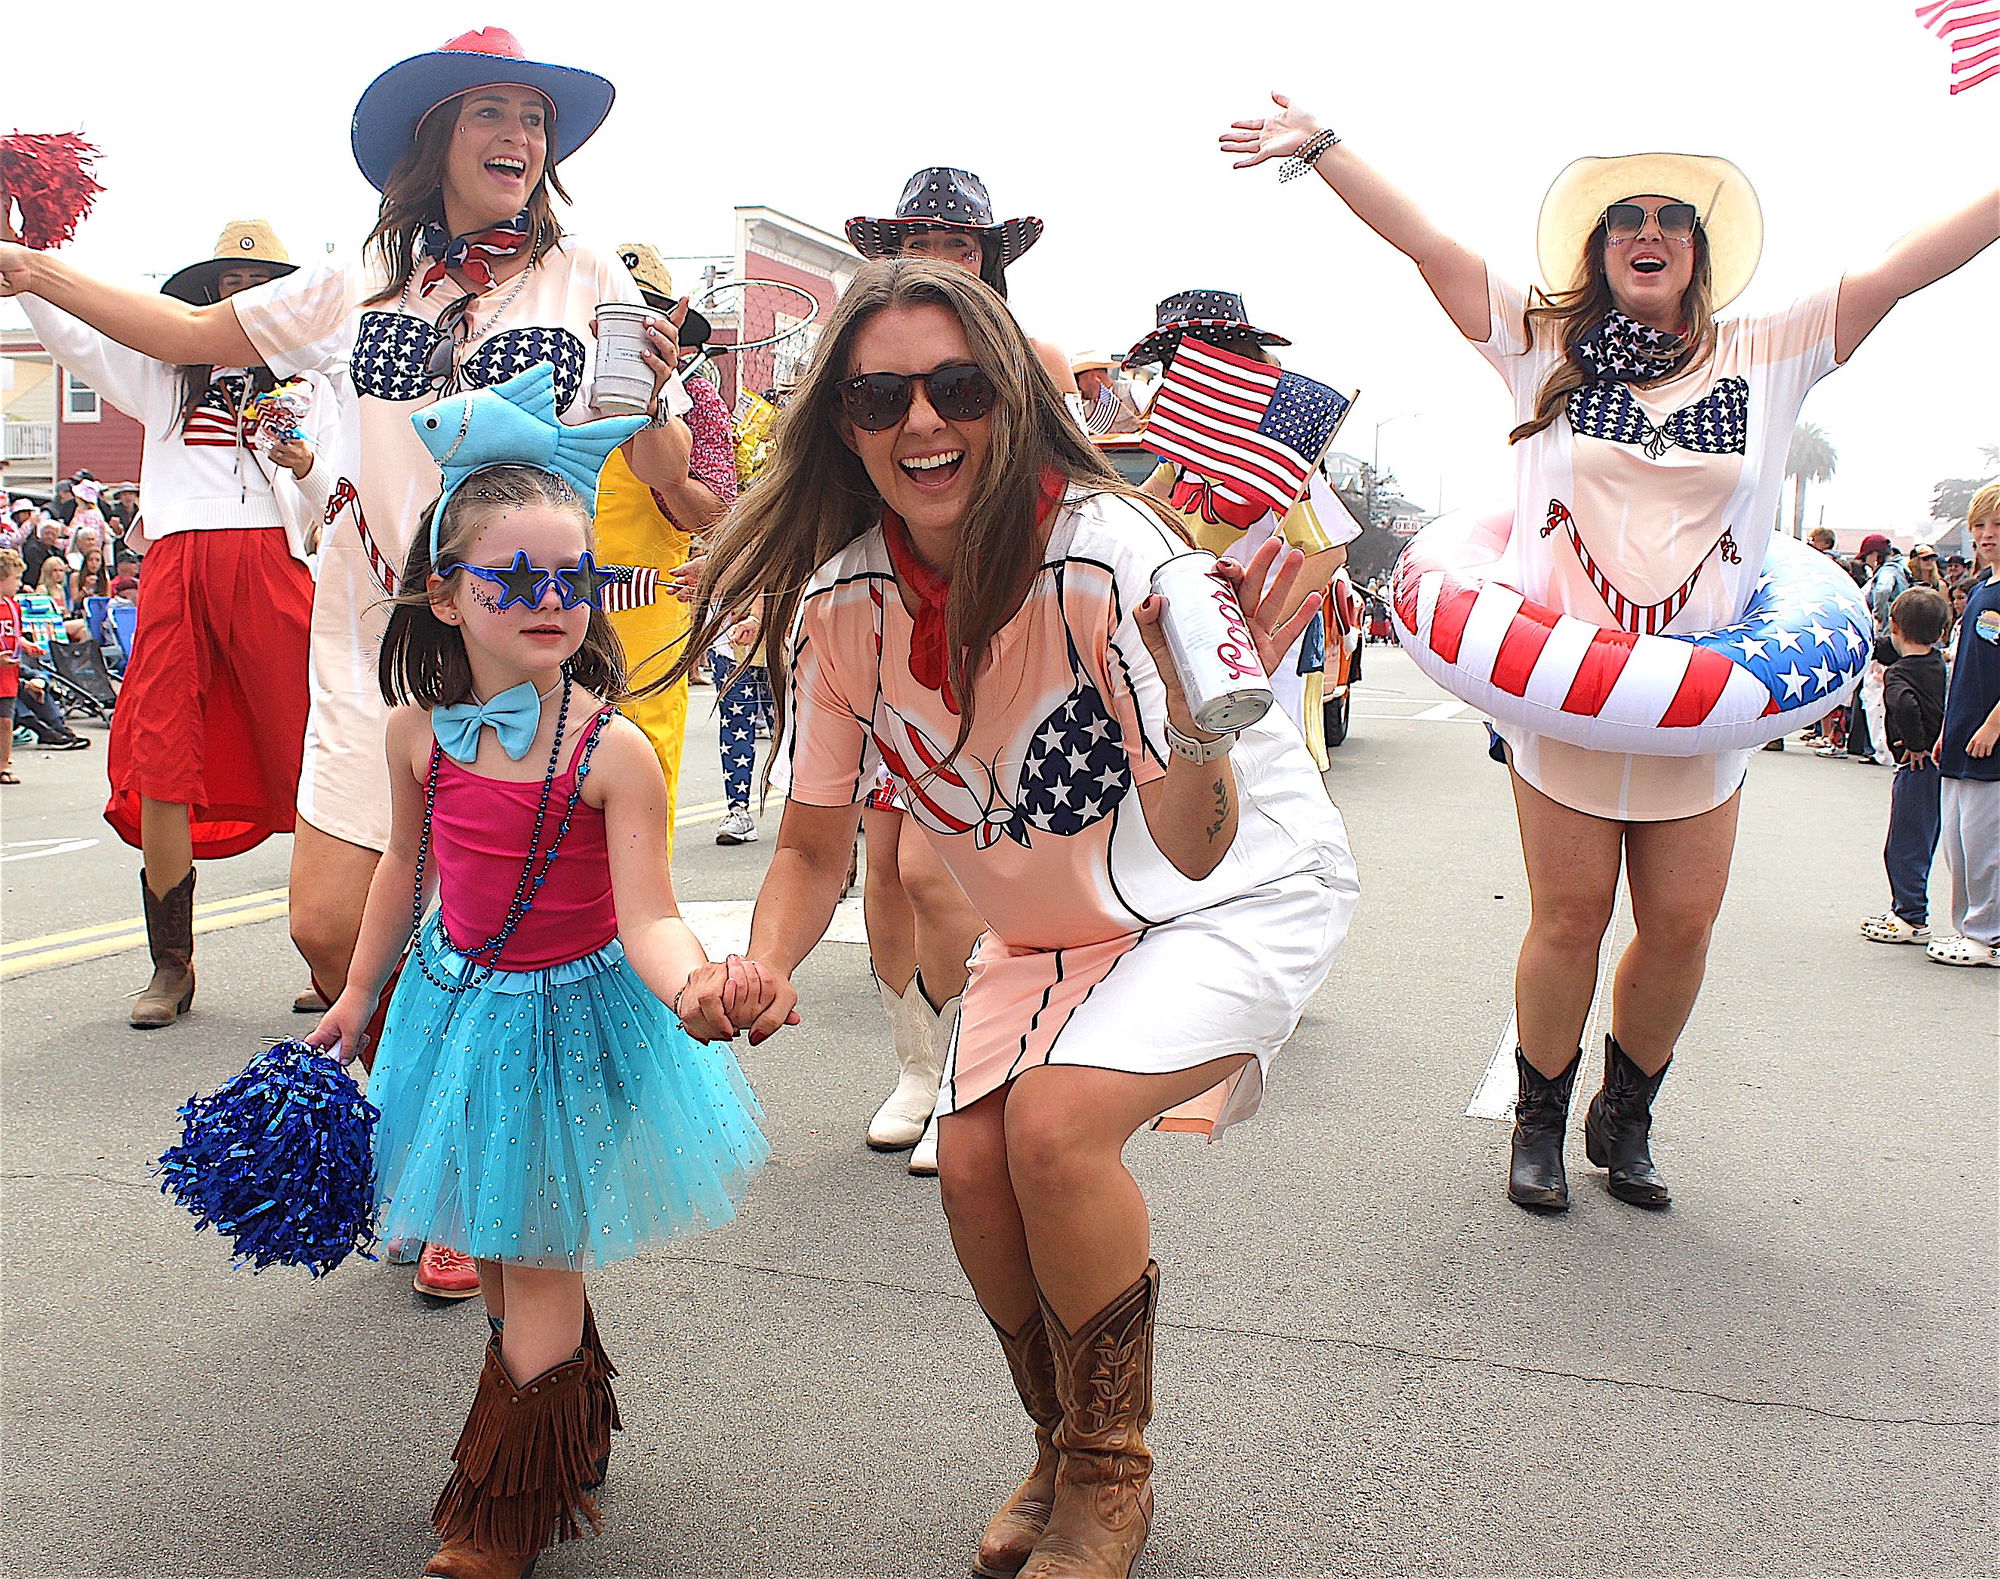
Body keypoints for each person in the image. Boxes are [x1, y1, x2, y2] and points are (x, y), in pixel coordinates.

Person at [673, 259, 1358, 1579]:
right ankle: (1057, 1439)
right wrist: (758, 956)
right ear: (843, 421)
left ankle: (1113, 1475)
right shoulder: (845, 605)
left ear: (1009, 399)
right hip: (1048, 927)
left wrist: (1189, 719)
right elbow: (814, 837)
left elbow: (1199, 841)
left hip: (1222, 889)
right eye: (880, 394)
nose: (920, 420)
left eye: (957, 385)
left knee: (1048, 1129)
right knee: (974, 1165)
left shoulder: (1111, 552)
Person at [0, 27, 684, 1296]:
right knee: (327, 929)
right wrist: (34, 265)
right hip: (367, 638)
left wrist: (679, 452)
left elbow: (654, 460)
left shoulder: (592, 276)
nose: (520, 139)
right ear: (435, 141)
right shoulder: (361, 277)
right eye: (491, 113)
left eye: (534, 119)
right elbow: (195, 328)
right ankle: (428, 1129)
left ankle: (470, 1186)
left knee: (495, 934)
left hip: (510, 657)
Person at [1223, 93, 1998, 1210]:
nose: (1646, 232)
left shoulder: (1766, 347)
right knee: (1570, 916)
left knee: (1679, 925)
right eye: (1623, 218)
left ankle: (1624, 1114)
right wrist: (1325, 150)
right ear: (1596, 248)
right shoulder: (1538, 339)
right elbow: (1428, 245)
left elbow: (1899, 267)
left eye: (1670, 220)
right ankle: (1536, 1117)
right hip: (1565, 697)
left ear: (1697, 250)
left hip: (1702, 702)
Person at [306, 381, 768, 1579]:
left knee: (537, 1244)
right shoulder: (417, 732)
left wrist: (694, 990)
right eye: (514, 579)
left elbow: (650, 914)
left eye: (570, 578)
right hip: (458, 1012)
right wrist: (359, 996)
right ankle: (567, 1421)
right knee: (501, 1242)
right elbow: (405, 871)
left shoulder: (612, 750)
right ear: (446, 592)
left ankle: (508, 1506)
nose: (549, 601)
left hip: (578, 1020)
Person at [3, 220, 333, 1030]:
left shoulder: (313, 379)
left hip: (274, 563)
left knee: (315, 750)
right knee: (161, 754)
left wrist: (303, 464)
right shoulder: (163, 372)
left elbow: (334, 493)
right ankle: (171, 964)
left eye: (258, 281)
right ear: (208, 293)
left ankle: (334, 955)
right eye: (228, 281)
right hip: (179, 564)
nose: (241, 293)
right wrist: (27, 269)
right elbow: (79, 342)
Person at [842, 168, 1083, 1175]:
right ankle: (916, 1061)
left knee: (935, 873)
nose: (941, 259)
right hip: (881, 629)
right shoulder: (852, 355)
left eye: (961, 243)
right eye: (920, 242)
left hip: (993, 635)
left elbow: (1080, 492)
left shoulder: (1036, 360)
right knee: (883, 875)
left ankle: (965, 1069)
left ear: (989, 259)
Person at [1127, 289, 1358, 768]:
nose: (1178, 371)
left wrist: (1256, 634)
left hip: (1252, 649)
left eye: (1191, 355)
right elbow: (1137, 509)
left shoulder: (1272, 451)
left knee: (1264, 776)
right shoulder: (1184, 453)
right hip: (1191, 638)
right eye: (1173, 360)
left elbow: (1326, 553)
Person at [597, 240, 736, 854]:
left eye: (646, 316)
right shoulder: (553, 390)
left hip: (649, 619)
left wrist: (669, 468)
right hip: (547, 604)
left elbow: (716, 516)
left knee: (644, 782)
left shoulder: (696, 404)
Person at [1929, 483, 2000, 968]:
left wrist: (1994, 725)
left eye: (1997, 526)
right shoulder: (1981, 591)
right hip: (1959, 738)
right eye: (1980, 526)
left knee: (1985, 846)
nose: (1986, 535)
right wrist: (1945, 731)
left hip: (1990, 743)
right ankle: (1967, 929)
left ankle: (1986, 935)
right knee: (1958, 846)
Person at [1858, 588, 1950, 945]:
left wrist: (1914, 744)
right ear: (1941, 633)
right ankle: (1907, 908)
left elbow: (1906, 705)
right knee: (1924, 838)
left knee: (1904, 843)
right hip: (1939, 766)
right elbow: (1889, 646)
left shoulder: (1898, 675)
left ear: (1894, 626)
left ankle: (1910, 915)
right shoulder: (1936, 662)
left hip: (1916, 763)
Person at [1851, 533, 1909, 765]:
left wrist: (1878, 616)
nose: (1865, 562)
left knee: (1875, 696)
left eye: (1867, 557)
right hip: (1896, 639)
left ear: (1876, 556)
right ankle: (1881, 749)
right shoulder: (1903, 571)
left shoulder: (1887, 573)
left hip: (1886, 640)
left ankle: (1882, 751)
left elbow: (1883, 591)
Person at [1069, 353, 1144, 436]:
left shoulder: (1134, 389)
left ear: (1093, 375)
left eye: (1076, 379)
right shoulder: (1082, 409)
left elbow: (1151, 421)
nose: (1077, 387)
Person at [0, 549, 25, 783]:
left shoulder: (13, 607)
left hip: (8, 673)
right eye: (15, 578)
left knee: (6, 720)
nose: (19, 583)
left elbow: (15, 634)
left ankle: (4, 764)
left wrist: (25, 644)